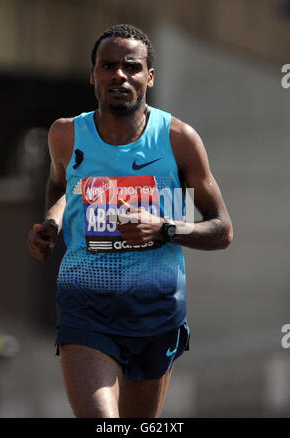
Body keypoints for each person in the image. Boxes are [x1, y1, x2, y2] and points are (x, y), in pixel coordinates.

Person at [27, 24, 233, 418]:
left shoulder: (177, 139)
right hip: (85, 305)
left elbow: (222, 229)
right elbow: (58, 188)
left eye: (131, 67)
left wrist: (165, 228)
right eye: (108, 66)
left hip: (156, 311)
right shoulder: (66, 135)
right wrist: (51, 225)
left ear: (149, 77)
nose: (119, 74)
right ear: (93, 75)